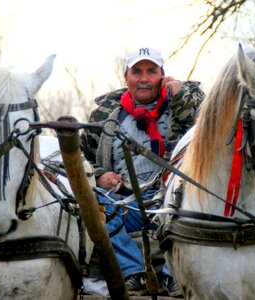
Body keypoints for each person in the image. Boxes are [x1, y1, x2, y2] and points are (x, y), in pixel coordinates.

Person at [81, 47, 204, 296]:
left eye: (152, 71)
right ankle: (133, 271)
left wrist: (181, 93)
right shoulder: (106, 116)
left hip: (176, 202)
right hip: (129, 204)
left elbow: (206, 120)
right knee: (95, 204)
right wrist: (99, 175)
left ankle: (174, 276)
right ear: (126, 77)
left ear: (163, 76)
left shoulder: (180, 110)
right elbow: (83, 160)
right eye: (137, 71)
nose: (144, 78)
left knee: (199, 203)